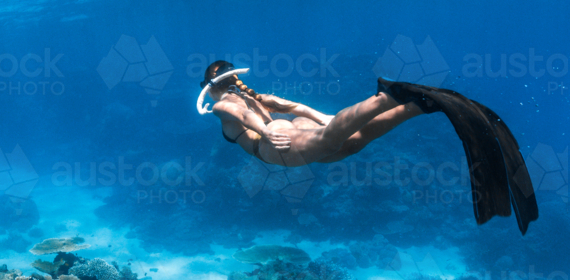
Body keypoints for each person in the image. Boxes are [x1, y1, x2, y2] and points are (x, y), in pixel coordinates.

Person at [197, 60, 538, 233]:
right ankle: (417, 106)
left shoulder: (223, 103)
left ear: (208, 87)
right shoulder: (249, 97)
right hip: (286, 130)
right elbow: (307, 114)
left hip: (275, 145)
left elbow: (235, 113)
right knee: (353, 143)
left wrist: (269, 132)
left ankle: (386, 98)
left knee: (332, 137)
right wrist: (302, 114)